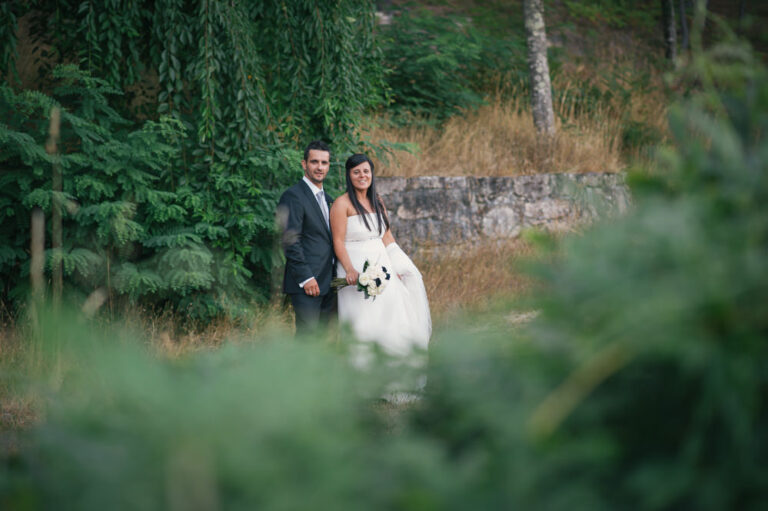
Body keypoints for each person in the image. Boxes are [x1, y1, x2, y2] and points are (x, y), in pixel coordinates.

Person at [329, 153, 431, 361]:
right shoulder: (342, 204)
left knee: (391, 317)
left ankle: (393, 370)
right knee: (363, 322)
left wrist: (399, 267)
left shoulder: (377, 201)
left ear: (372, 174)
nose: (362, 175)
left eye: (366, 171)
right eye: (356, 172)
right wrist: (349, 269)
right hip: (355, 270)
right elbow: (338, 241)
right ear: (349, 175)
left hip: (382, 267)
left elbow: (387, 236)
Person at [278, 140, 336, 336]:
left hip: (329, 283)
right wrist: (306, 277)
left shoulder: (329, 200)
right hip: (307, 283)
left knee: (321, 340)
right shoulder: (292, 196)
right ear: (304, 164)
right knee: (307, 339)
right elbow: (289, 239)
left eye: (324, 163)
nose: (319, 167)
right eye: (314, 162)